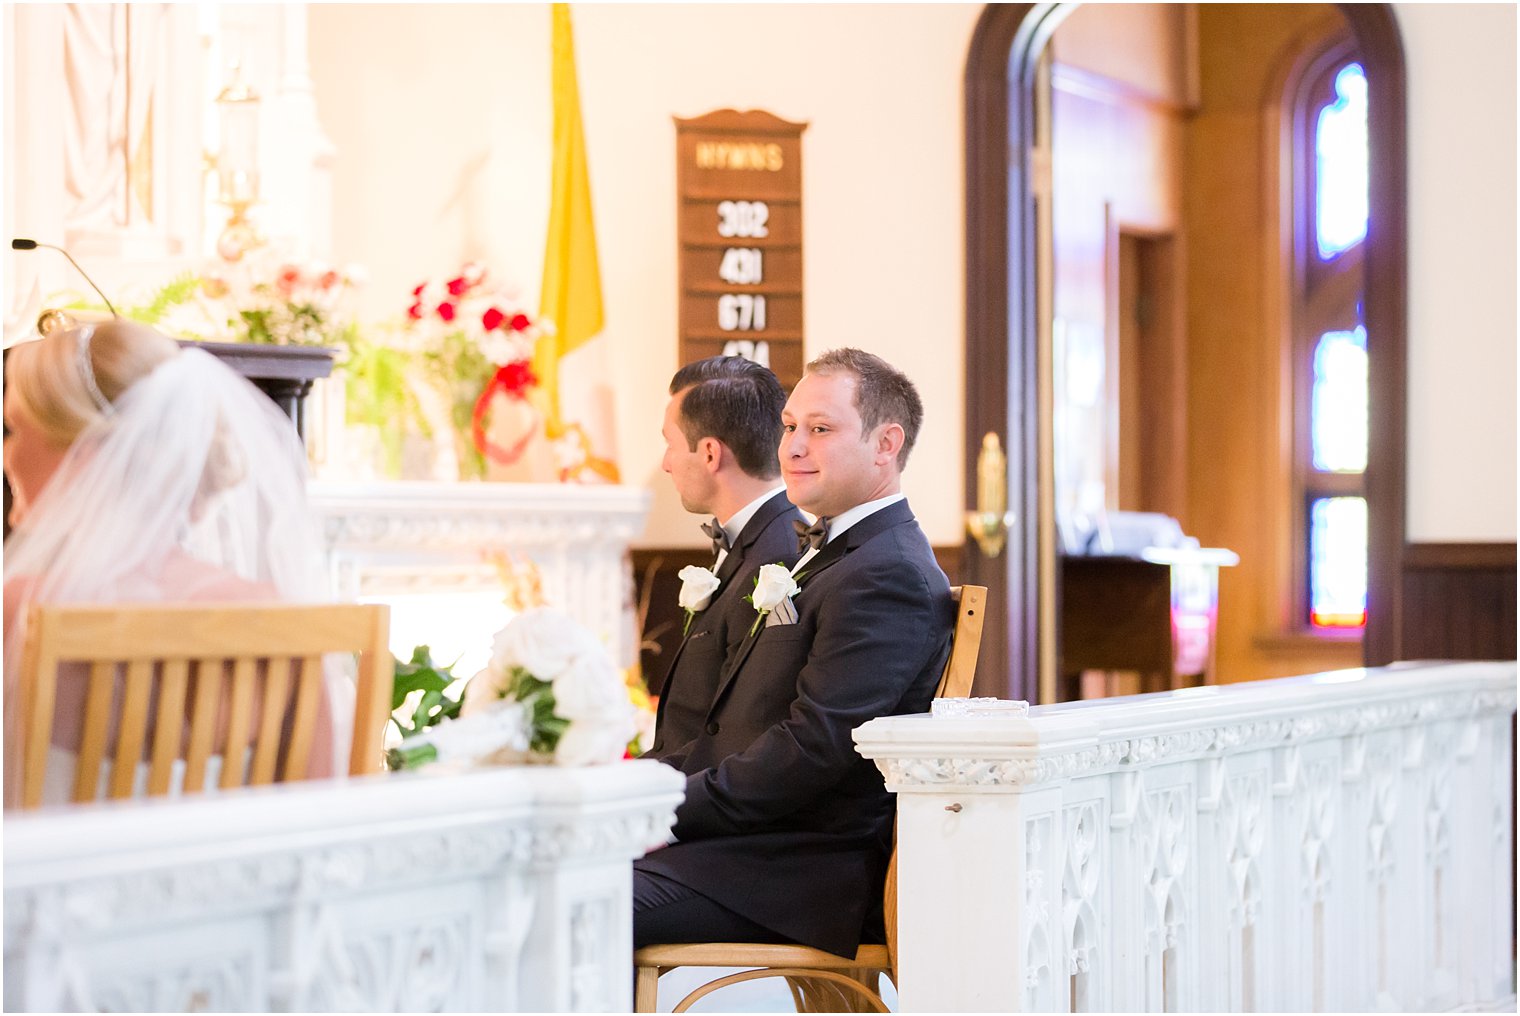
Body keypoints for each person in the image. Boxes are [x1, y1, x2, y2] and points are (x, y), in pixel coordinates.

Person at [636, 348, 955, 958]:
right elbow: (742, 725)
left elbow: (813, 749)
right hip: (753, 850)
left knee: (573, 905)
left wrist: (663, 812)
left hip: (797, 872)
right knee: (562, 888)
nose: (794, 447)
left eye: (821, 429)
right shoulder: (838, 553)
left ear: (887, 444)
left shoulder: (889, 573)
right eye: (789, 427)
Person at [2, 318, 346, 807]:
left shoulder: (17, 611)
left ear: (87, 452)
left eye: (14, 429)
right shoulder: (283, 619)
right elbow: (317, 816)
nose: (5, 455)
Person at [651, 355, 804, 762]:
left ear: (709, 454)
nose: (666, 463)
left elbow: (741, 735)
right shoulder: (757, 541)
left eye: (669, 443)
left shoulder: (780, 561)